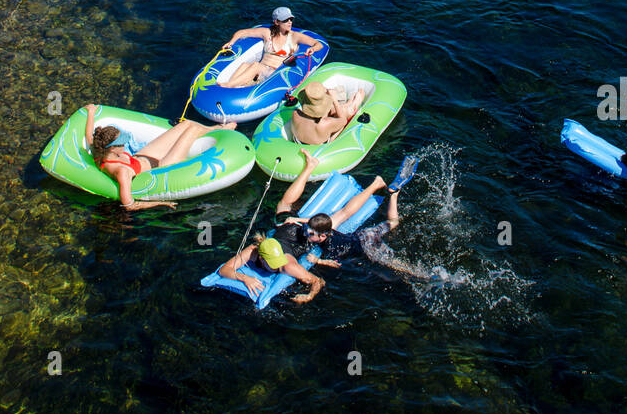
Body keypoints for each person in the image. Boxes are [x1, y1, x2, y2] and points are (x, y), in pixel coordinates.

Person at [219, 151, 407, 303]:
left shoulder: (287, 266)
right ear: (260, 254)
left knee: (338, 216)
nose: (277, 267)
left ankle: (375, 184)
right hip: (290, 229)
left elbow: (317, 281)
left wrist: (309, 296)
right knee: (283, 207)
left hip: (301, 233)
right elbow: (224, 270)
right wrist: (245, 278)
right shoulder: (253, 250)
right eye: (272, 264)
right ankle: (311, 167)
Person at [83, 103, 229, 210]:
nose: (125, 144)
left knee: (187, 124)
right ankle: (223, 131)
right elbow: (129, 204)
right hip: (163, 165)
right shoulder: (122, 171)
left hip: (142, 156)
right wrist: (160, 203)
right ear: (113, 149)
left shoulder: (99, 150)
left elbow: (90, 135)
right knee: (192, 130)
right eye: (122, 143)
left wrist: (91, 112)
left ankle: (215, 128)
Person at [220, 8, 323, 88]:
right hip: (261, 71)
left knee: (256, 65)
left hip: (275, 74)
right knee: (244, 65)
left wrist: (313, 49)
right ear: (277, 22)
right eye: (285, 20)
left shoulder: (295, 36)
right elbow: (242, 32)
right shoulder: (267, 33)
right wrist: (230, 42)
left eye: (291, 19)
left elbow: (318, 44)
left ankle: (229, 85)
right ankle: (229, 88)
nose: (289, 22)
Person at [289, 77, 365, 146]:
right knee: (343, 113)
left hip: (299, 141)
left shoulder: (295, 113)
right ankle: (351, 106)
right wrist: (334, 100)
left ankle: (348, 104)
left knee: (332, 109)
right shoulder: (325, 123)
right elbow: (343, 120)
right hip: (319, 146)